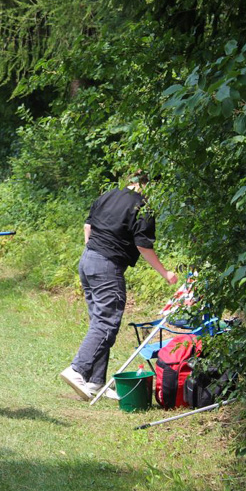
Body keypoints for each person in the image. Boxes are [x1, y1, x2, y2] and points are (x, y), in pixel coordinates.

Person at [60, 172, 178, 401]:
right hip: (106, 266)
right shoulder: (143, 206)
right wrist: (165, 273)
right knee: (106, 323)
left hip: (88, 260)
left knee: (98, 321)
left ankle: (95, 382)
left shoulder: (109, 194)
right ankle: (77, 370)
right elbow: (143, 245)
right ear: (149, 187)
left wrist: (93, 251)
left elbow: (88, 226)